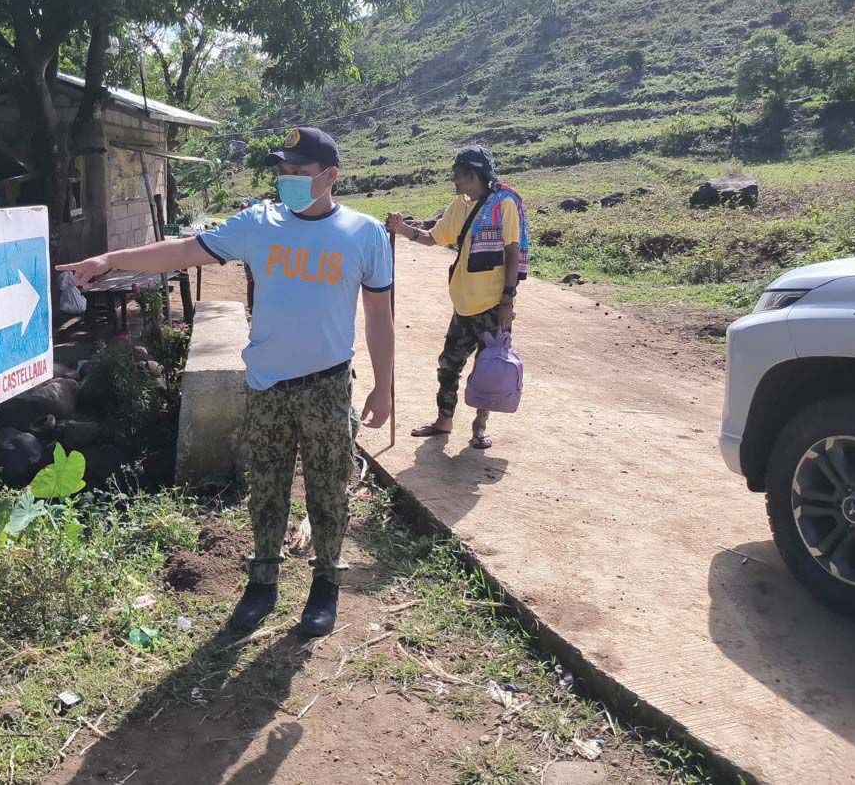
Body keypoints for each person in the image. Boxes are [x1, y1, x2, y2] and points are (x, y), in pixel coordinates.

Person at [57, 126, 394, 637]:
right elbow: (183, 251)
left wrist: (383, 385)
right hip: (267, 385)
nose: (287, 181)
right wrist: (111, 259)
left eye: (299, 173)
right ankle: (262, 582)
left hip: (328, 386)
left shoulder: (364, 234)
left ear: (330, 177)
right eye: (283, 172)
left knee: (329, 489)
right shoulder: (260, 224)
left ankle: (325, 582)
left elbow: (378, 317)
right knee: (267, 488)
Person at [386, 145, 528, 449]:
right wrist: (401, 229)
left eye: (458, 176)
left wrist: (507, 302)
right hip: (464, 306)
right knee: (449, 365)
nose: (455, 182)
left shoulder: (504, 205)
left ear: (472, 175)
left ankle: (479, 425)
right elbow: (432, 238)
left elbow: (512, 252)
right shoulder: (459, 206)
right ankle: (444, 420)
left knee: (488, 367)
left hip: (492, 306)